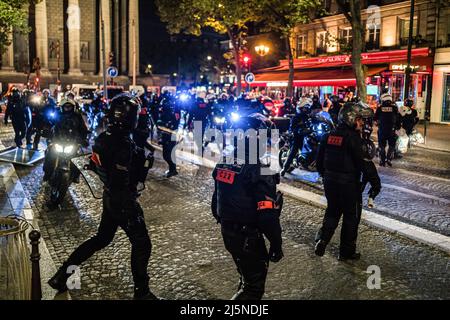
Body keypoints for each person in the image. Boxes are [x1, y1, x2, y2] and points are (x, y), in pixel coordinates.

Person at [48, 94, 158, 300]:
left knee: (101, 239)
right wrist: (141, 167)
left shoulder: (104, 136)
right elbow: (124, 177)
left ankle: (62, 275)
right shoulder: (124, 144)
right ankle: (142, 293)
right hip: (122, 199)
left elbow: (95, 164)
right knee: (142, 244)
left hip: (109, 197)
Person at [211, 113, 284, 300]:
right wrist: (276, 243)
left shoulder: (225, 160)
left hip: (228, 231)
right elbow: (267, 216)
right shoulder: (261, 168)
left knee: (246, 277)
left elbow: (216, 201)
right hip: (247, 236)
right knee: (253, 288)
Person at [314, 102, 365, 261]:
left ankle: (323, 240)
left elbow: (319, 161)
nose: (362, 123)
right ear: (351, 119)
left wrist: (326, 175)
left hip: (330, 182)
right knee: (351, 217)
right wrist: (372, 182)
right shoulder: (353, 138)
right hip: (349, 184)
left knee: (332, 212)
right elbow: (361, 162)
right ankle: (346, 252)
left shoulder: (328, 135)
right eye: (359, 119)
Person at [43, 99, 89, 181]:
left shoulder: (77, 116)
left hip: (73, 142)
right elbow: (49, 124)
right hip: (58, 140)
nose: (67, 108)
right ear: (62, 107)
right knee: (49, 154)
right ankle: (47, 173)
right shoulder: (57, 115)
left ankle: (75, 176)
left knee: (78, 158)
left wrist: (84, 139)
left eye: (69, 107)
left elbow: (83, 129)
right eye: (66, 107)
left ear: (73, 107)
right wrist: (46, 132)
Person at [280, 99, 311, 176]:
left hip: (306, 136)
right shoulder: (296, 117)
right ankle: (285, 168)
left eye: (307, 108)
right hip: (297, 136)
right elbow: (293, 128)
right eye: (304, 108)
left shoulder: (308, 117)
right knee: (294, 149)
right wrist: (299, 130)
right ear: (301, 108)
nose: (306, 109)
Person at [375, 92, 400, 167]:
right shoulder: (395, 108)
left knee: (382, 145)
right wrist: (398, 127)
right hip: (392, 130)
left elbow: (375, 117)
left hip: (382, 129)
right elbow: (398, 119)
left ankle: (382, 160)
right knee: (392, 145)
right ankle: (388, 159)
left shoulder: (380, 108)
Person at [157, 97, 180, 177]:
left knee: (167, 155)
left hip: (169, 137)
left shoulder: (169, 114)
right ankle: (172, 169)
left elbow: (170, 126)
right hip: (168, 136)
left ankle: (173, 170)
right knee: (168, 154)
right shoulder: (168, 114)